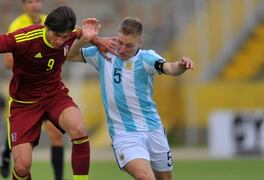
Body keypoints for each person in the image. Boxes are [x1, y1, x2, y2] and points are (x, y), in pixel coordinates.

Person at [0, 6, 113, 180]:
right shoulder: (24, 37)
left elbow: (81, 33)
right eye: (56, 36)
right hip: (24, 104)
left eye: (65, 37)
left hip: (55, 96)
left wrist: (97, 41)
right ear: (46, 28)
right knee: (22, 166)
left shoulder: (70, 33)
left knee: (78, 128)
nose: (60, 42)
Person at [67, 17, 194, 180]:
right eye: (120, 42)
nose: (122, 49)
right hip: (124, 133)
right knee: (145, 176)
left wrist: (181, 65)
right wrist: (85, 38)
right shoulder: (104, 52)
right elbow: (69, 55)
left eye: (129, 45)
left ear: (139, 42)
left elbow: (169, 67)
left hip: (153, 128)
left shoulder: (147, 58)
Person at [0, 1, 66, 179]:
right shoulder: (17, 25)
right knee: (19, 134)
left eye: (37, 0)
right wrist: (33, 61)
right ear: (23, 5)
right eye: (30, 1)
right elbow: (7, 62)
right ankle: (6, 152)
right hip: (25, 93)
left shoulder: (50, 23)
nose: (34, 5)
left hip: (49, 92)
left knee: (56, 135)